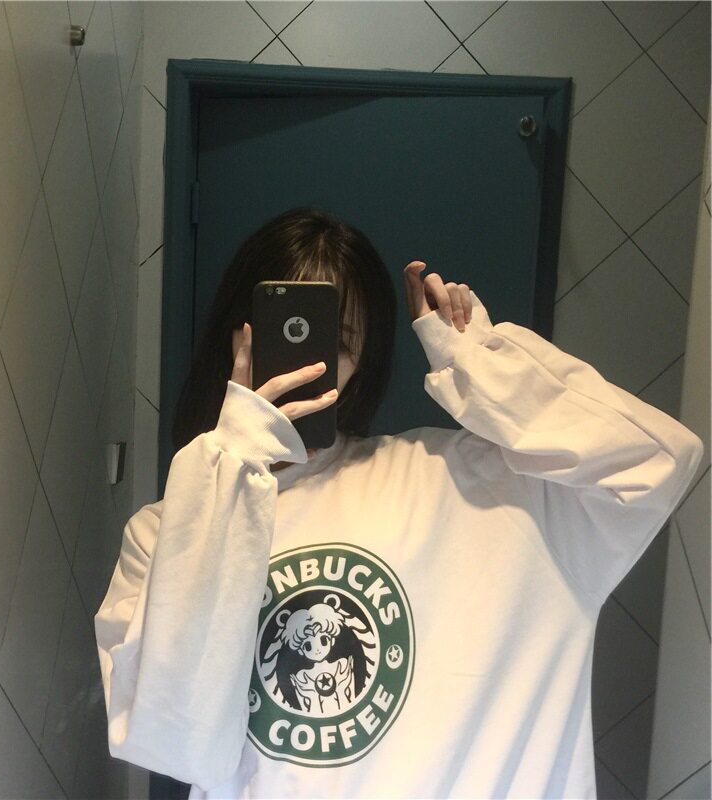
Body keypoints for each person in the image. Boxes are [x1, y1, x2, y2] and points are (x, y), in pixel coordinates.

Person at [94, 207, 704, 800]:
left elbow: (656, 463)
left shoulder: (468, 482)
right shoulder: (164, 533)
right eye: (283, 330)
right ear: (234, 333)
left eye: (338, 341)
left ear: (363, 361)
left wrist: (482, 366)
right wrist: (227, 469)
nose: (306, 361)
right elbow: (178, 747)